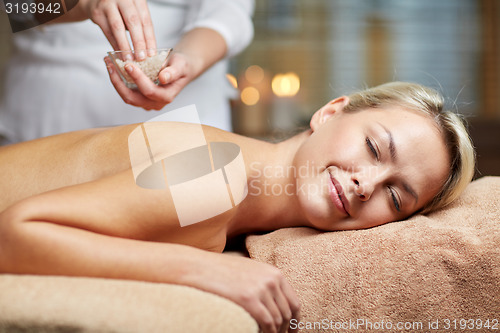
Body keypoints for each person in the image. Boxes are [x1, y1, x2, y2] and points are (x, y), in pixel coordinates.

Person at [0, 82, 475, 333]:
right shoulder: (219, 174)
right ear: (330, 112)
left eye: (395, 196)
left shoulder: (239, 197)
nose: (364, 184)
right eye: (373, 148)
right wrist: (206, 271)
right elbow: (15, 234)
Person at [0, 0, 254, 144]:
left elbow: (230, 12)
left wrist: (189, 60)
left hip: (181, 135)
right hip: (49, 125)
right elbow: (14, 8)